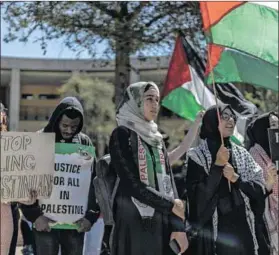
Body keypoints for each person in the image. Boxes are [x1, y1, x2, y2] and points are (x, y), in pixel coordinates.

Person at [108, 82, 203, 255]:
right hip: (133, 223)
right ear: (134, 101)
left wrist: (178, 226)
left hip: (162, 224)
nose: (155, 105)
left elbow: (169, 183)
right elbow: (131, 183)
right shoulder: (122, 134)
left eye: (157, 100)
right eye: (149, 99)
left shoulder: (156, 139)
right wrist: (169, 205)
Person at [183, 104, 270, 255]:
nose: (231, 120)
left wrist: (236, 179)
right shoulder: (196, 156)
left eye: (232, 117)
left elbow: (259, 187)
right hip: (215, 235)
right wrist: (217, 167)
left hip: (244, 230)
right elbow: (197, 199)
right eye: (225, 116)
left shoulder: (242, 153)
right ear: (211, 121)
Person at [20, 97, 100, 255]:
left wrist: (90, 217)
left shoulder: (84, 143)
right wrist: (35, 216)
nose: (69, 130)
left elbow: (94, 182)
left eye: (74, 126)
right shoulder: (40, 139)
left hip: (75, 225)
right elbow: (25, 182)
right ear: (56, 120)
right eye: (65, 125)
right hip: (45, 224)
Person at [0, 103, 37, 255]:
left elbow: (21, 192)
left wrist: (29, 197)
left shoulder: (14, 149)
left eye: (2, 117)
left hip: (7, 215)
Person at [247, 112, 278, 255]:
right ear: (262, 128)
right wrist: (270, 182)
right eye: (272, 125)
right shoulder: (253, 156)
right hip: (265, 218)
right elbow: (255, 191)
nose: (276, 128)